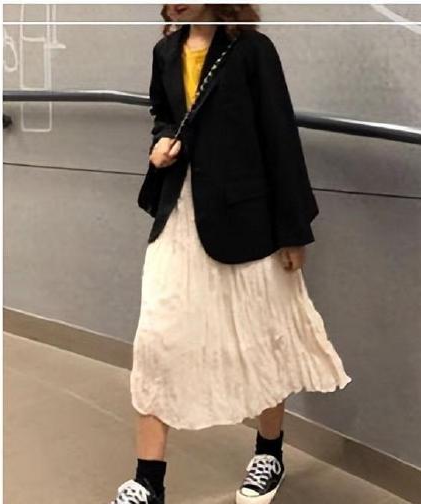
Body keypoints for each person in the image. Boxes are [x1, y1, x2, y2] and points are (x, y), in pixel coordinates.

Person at [109, 5, 351, 504]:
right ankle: (148, 481)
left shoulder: (253, 50)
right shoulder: (165, 50)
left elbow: (279, 137)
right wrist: (161, 142)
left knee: (262, 335)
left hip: (248, 219)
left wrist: (292, 231)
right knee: (156, 340)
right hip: (178, 213)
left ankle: (269, 452)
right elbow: (164, 114)